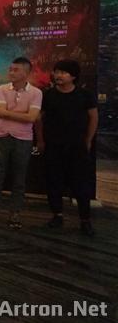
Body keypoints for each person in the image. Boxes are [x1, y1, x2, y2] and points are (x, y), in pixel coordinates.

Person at [37, 60, 98, 236]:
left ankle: (85, 220)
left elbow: (93, 117)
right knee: (53, 181)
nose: (58, 75)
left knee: (81, 184)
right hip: (53, 146)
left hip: (77, 146)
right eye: (57, 72)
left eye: (63, 72)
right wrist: (40, 140)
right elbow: (39, 119)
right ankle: (57, 215)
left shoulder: (84, 95)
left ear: (73, 76)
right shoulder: (48, 95)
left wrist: (88, 140)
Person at [0, 57, 42, 229]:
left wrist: (6, 112)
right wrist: (22, 115)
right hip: (1, 137)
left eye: (16, 70)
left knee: (19, 178)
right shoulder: (2, 89)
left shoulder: (36, 93)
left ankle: (15, 213)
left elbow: (32, 118)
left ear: (26, 73)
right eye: (10, 69)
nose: (11, 72)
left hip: (23, 140)